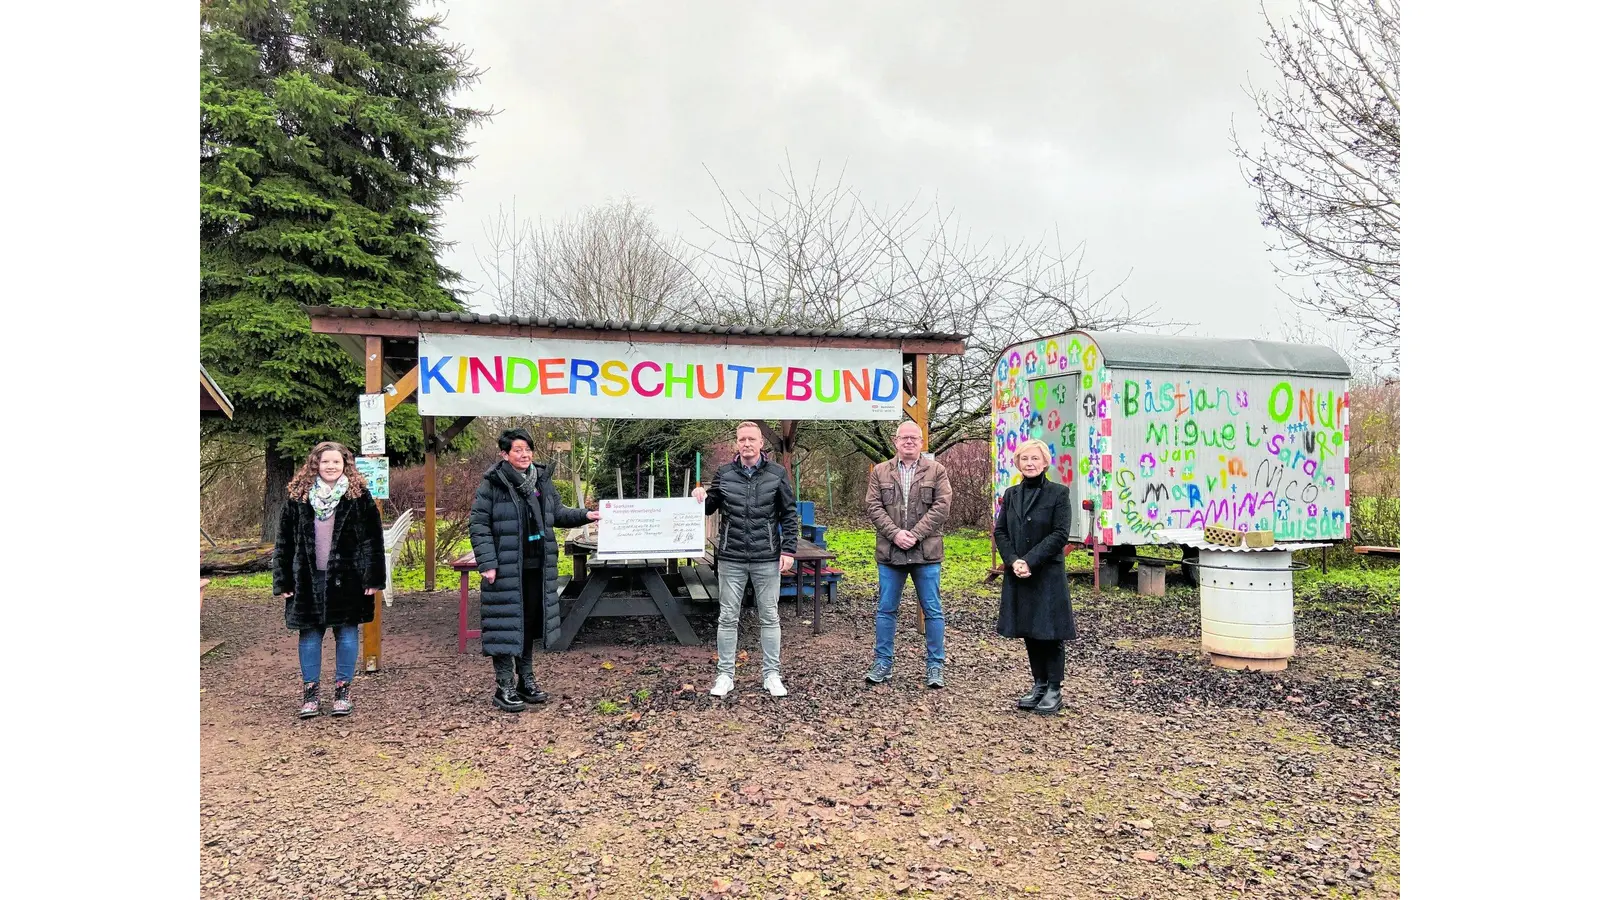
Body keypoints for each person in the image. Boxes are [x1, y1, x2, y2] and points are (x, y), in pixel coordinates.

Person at [469, 428, 600, 713]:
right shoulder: (493, 483)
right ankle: (504, 685)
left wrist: (586, 515)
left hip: (537, 567)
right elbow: (478, 525)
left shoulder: (541, 479)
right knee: (504, 625)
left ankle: (525, 679)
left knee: (527, 624)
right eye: (517, 450)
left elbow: (558, 514)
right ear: (504, 454)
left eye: (527, 449)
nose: (524, 454)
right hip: (505, 567)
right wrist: (488, 563)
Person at [272, 441, 387, 719]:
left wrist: (373, 577)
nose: (331, 466)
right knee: (310, 635)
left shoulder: (359, 496)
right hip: (306, 578)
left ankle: (342, 692)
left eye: (336, 461)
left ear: (345, 465)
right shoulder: (298, 497)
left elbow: (373, 540)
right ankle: (310, 694)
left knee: (346, 634)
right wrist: (283, 579)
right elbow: (284, 541)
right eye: (325, 462)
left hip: (349, 578)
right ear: (315, 464)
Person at [691, 421, 799, 698]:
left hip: (767, 557)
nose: (747, 444)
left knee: (770, 617)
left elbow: (789, 514)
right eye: (742, 439)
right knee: (728, 617)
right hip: (732, 557)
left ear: (761, 443)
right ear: (737, 444)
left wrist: (788, 550)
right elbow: (710, 506)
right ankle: (725, 675)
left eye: (752, 439)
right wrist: (700, 496)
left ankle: (772, 674)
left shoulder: (777, 473)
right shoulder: (725, 474)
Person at [863, 420, 953, 688]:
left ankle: (935, 666)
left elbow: (942, 506)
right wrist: (895, 534)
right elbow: (873, 506)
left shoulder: (937, 470)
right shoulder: (880, 471)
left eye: (914, 437)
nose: (909, 441)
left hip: (926, 553)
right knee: (886, 609)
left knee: (933, 610)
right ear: (896, 441)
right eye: (904, 437)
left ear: (922, 442)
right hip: (890, 554)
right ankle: (883, 663)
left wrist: (915, 534)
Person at [993, 438, 1077, 715]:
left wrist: (1029, 560)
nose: (1029, 464)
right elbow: (1000, 531)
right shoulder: (1011, 494)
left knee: (1050, 632)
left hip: (1046, 572)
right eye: (1024, 459)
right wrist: (1013, 560)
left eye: (1034, 459)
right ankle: (1039, 683)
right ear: (1018, 463)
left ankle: (1054, 687)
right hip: (1019, 572)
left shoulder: (1058, 493)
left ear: (1045, 463)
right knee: (1029, 629)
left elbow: (1060, 534)